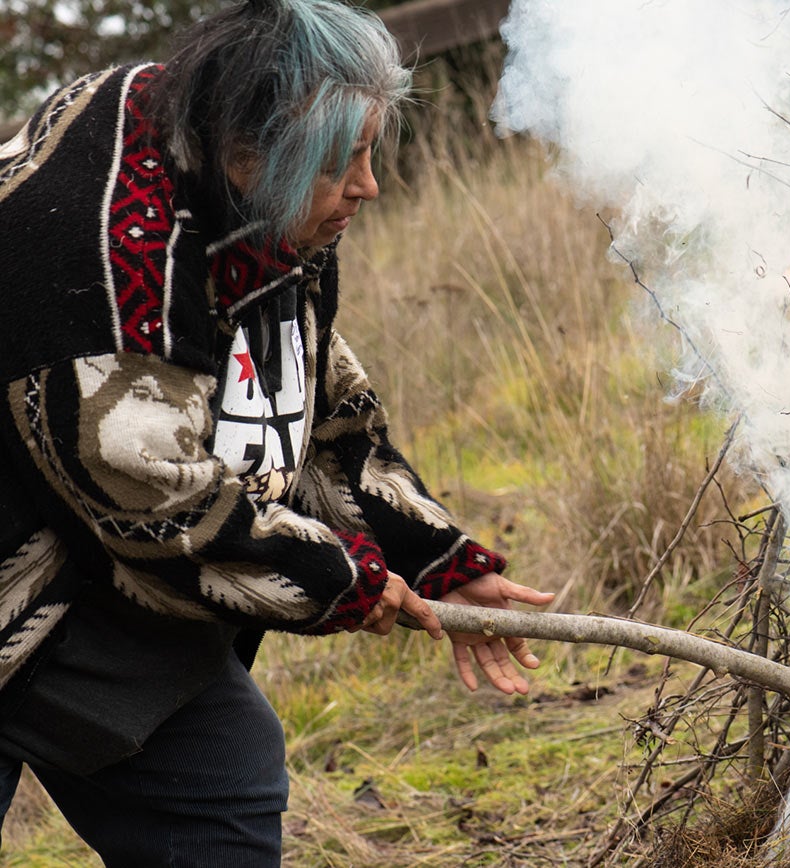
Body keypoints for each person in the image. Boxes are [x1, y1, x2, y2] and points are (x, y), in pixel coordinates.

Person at [0, 0, 553, 862]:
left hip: (75, 557)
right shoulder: (104, 262)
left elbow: (319, 409)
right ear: (247, 154)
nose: (369, 187)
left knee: (222, 771)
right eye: (347, 162)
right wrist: (349, 582)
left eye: (370, 152)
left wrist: (433, 557)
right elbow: (161, 503)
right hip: (35, 552)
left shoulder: (255, 211)